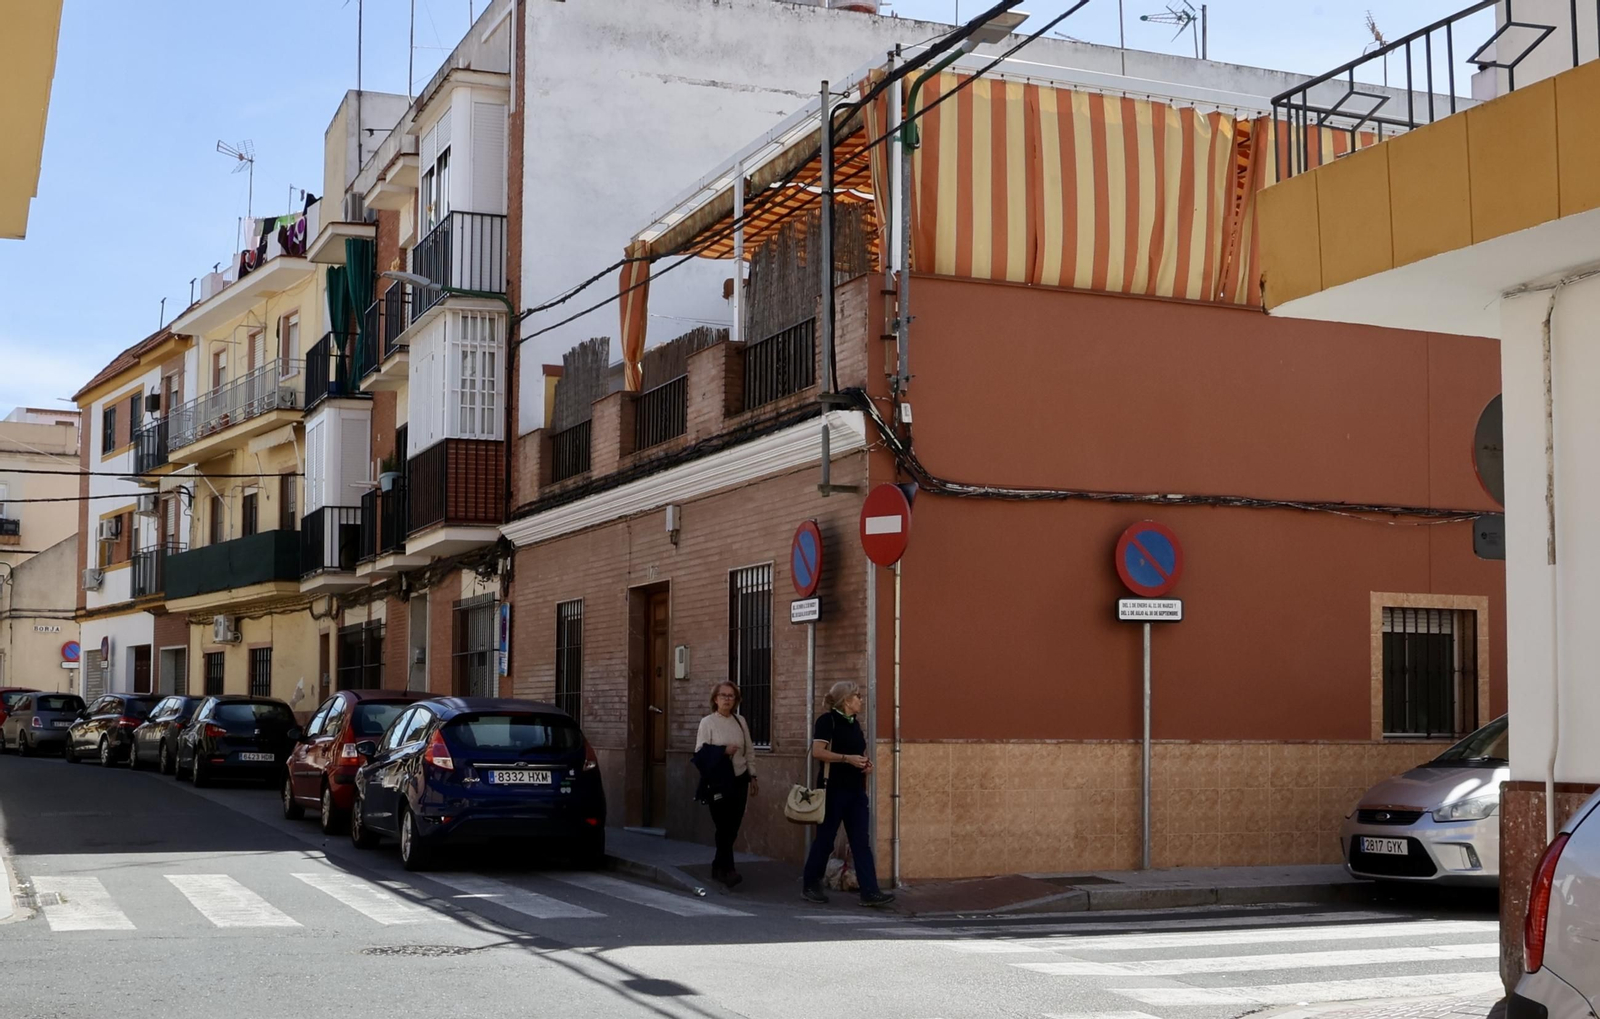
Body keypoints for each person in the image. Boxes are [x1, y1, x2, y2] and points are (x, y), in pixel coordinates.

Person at [801, 681, 894, 907]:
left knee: (861, 842)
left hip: (855, 790)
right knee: (825, 839)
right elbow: (818, 752)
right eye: (857, 696)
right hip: (833, 789)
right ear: (846, 700)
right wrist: (846, 758)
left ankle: (869, 892)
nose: (861, 700)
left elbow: (858, 752)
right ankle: (811, 884)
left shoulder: (855, 724)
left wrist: (865, 764)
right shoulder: (827, 721)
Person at [694, 681, 757, 887]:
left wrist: (753, 775)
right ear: (715, 699)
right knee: (723, 825)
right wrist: (723, 750)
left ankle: (717, 865)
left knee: (733, 826)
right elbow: (700, 753)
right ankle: (728, 870)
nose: (727, 699)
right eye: (723, 695)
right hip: (719, 782)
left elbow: (749, 750)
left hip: (739, 778)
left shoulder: (740, 721)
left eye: (731, 696)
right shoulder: (708, 722)